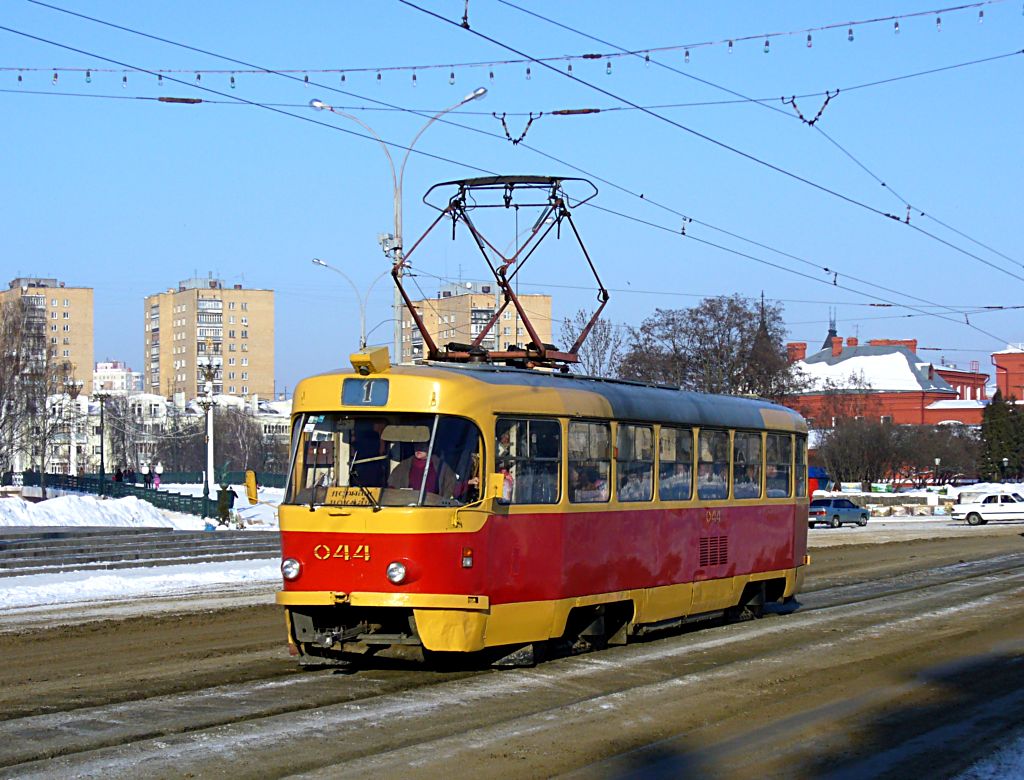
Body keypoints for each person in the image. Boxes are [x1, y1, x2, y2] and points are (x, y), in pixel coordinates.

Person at [388, 443, 455, 497]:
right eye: (417, 443)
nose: (419, 447)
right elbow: (391, 489)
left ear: (430, 445)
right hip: (407, 509)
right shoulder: (403, 466)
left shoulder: (441, 466)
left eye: (423, 444)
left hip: (434, 509)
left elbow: (453, 487)